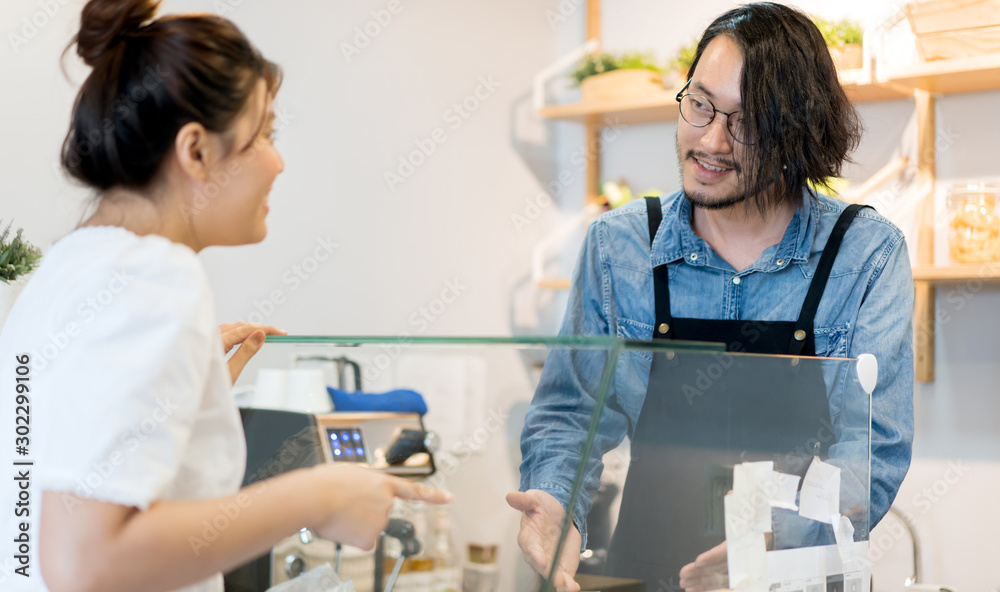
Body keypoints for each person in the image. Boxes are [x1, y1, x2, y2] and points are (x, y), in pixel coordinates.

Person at [0, 1, 449, 591]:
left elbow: (42, 485)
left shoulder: (69, 269)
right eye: (264, 133)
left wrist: (176, 387)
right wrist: (318, 494)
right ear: (195, 151)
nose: (278, 161)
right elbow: (84, 560)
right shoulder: (156, 277)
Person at [508, 3, 914, 591]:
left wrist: (772, 540)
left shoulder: (865, 255)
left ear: (799, 130)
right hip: (649, 573)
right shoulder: (619, 247)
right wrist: (555, 500)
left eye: (745, 122)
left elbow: (871, 448)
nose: (711, 140)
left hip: (796, 577)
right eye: (699, 104)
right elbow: (570, 414)